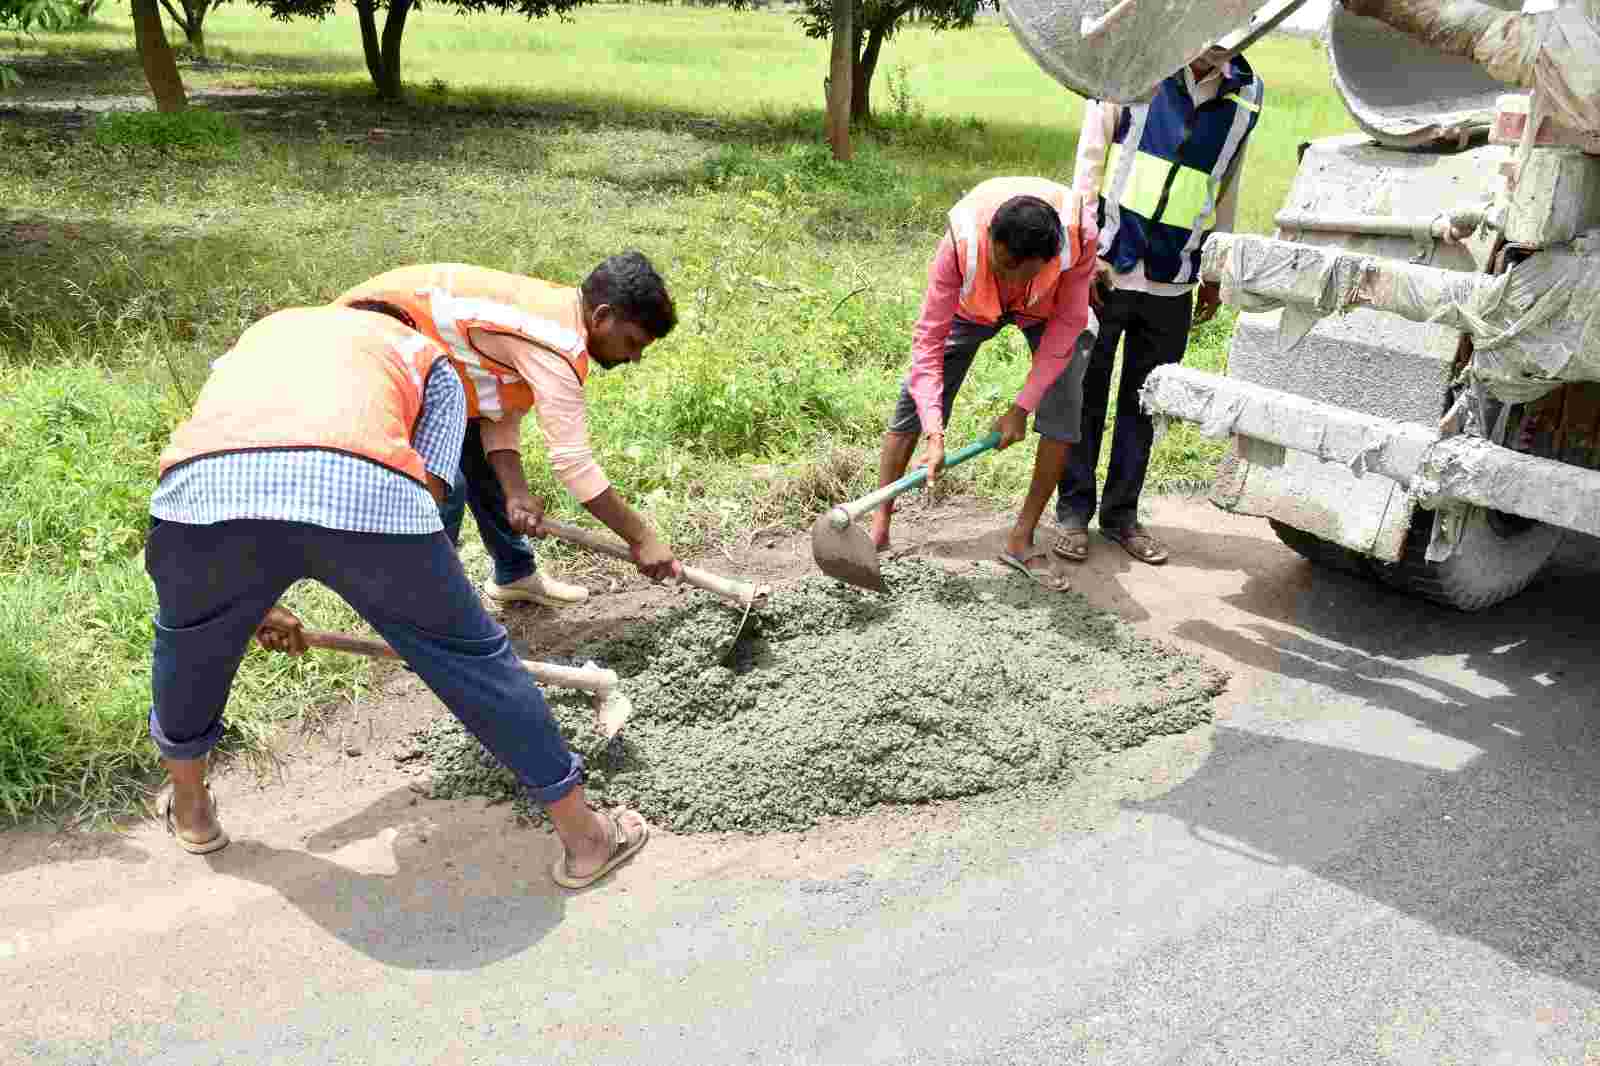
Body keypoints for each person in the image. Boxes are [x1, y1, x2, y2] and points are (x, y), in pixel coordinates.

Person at [146, 302, 666, 889]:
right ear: (404, 323)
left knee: (188, 651)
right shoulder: (427, 358)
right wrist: (421, 607)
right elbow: (434, 487)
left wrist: (249, 600)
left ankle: (191, 813)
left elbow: (237, 445)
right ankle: (587, 840)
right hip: (361, 495)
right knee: (473, 660)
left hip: (201, 499)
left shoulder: (261, 337)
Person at [335, 253, 678, 607]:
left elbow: (495, 404)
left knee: (481, 460)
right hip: (362, 351)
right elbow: (574, 466)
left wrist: (516, 492)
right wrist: (642, 538)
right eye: (633, 342)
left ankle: (515, 574)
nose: (634, 357)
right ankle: (425, 616)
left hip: (408, 351)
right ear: (602, 316)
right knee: (442, 482)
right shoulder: (557, 344)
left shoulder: (556, 313)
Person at [1053, 48, 1263, 566]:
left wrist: (1215, 266)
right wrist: (1084, 248)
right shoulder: (1135, 62)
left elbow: (1226, 182)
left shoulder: (1249, 94)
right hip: (1108, 263)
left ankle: (1121, 515)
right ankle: (1073, 512)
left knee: (1146, 401)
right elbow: (1089, 162)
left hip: (1174, 273)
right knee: (1085, 391)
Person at [870, 176, 1099, 586]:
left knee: (1065, 405)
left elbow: (1066, 327)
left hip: (1047, 311)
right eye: (1003, 265)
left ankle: (1020, 539)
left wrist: (1021, 407)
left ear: (1048, 260)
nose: (1008, 279)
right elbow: (928, 343)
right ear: (990, 234)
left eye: (1019, 272)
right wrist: (934, 435)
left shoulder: (1079, 239)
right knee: (912, 399)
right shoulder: (960, 243)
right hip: (971, 309)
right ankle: (879, 524)